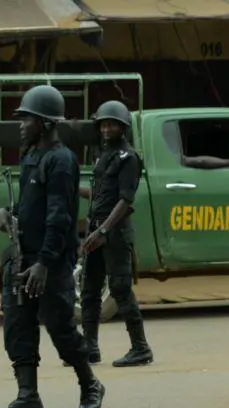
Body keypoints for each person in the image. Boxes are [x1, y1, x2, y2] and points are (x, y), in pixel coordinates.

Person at [0, 84, 105, 408]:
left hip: (48, 262)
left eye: (28, 118)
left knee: (60, 327)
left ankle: (90, 384)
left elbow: (60, 217)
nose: (21, 124)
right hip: (21, 257)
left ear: (47, 123)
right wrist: (6, 212)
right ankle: (28, 396)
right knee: (17, 324)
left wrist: (43, 263)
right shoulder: (31, 157)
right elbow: (28, 206)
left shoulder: (61, 161)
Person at [79, 100, 153, 368]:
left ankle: (140, 348)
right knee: (89, 289)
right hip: (96, 230)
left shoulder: (129, 158)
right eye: (103, 124)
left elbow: (125, 201)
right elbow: (99, 194)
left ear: (123, 128)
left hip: (115, 233)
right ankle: (90, 346)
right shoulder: (102, 155)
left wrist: (103, 230)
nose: (106, 129)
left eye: (112, 125)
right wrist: (73, 188)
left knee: (121, 288)